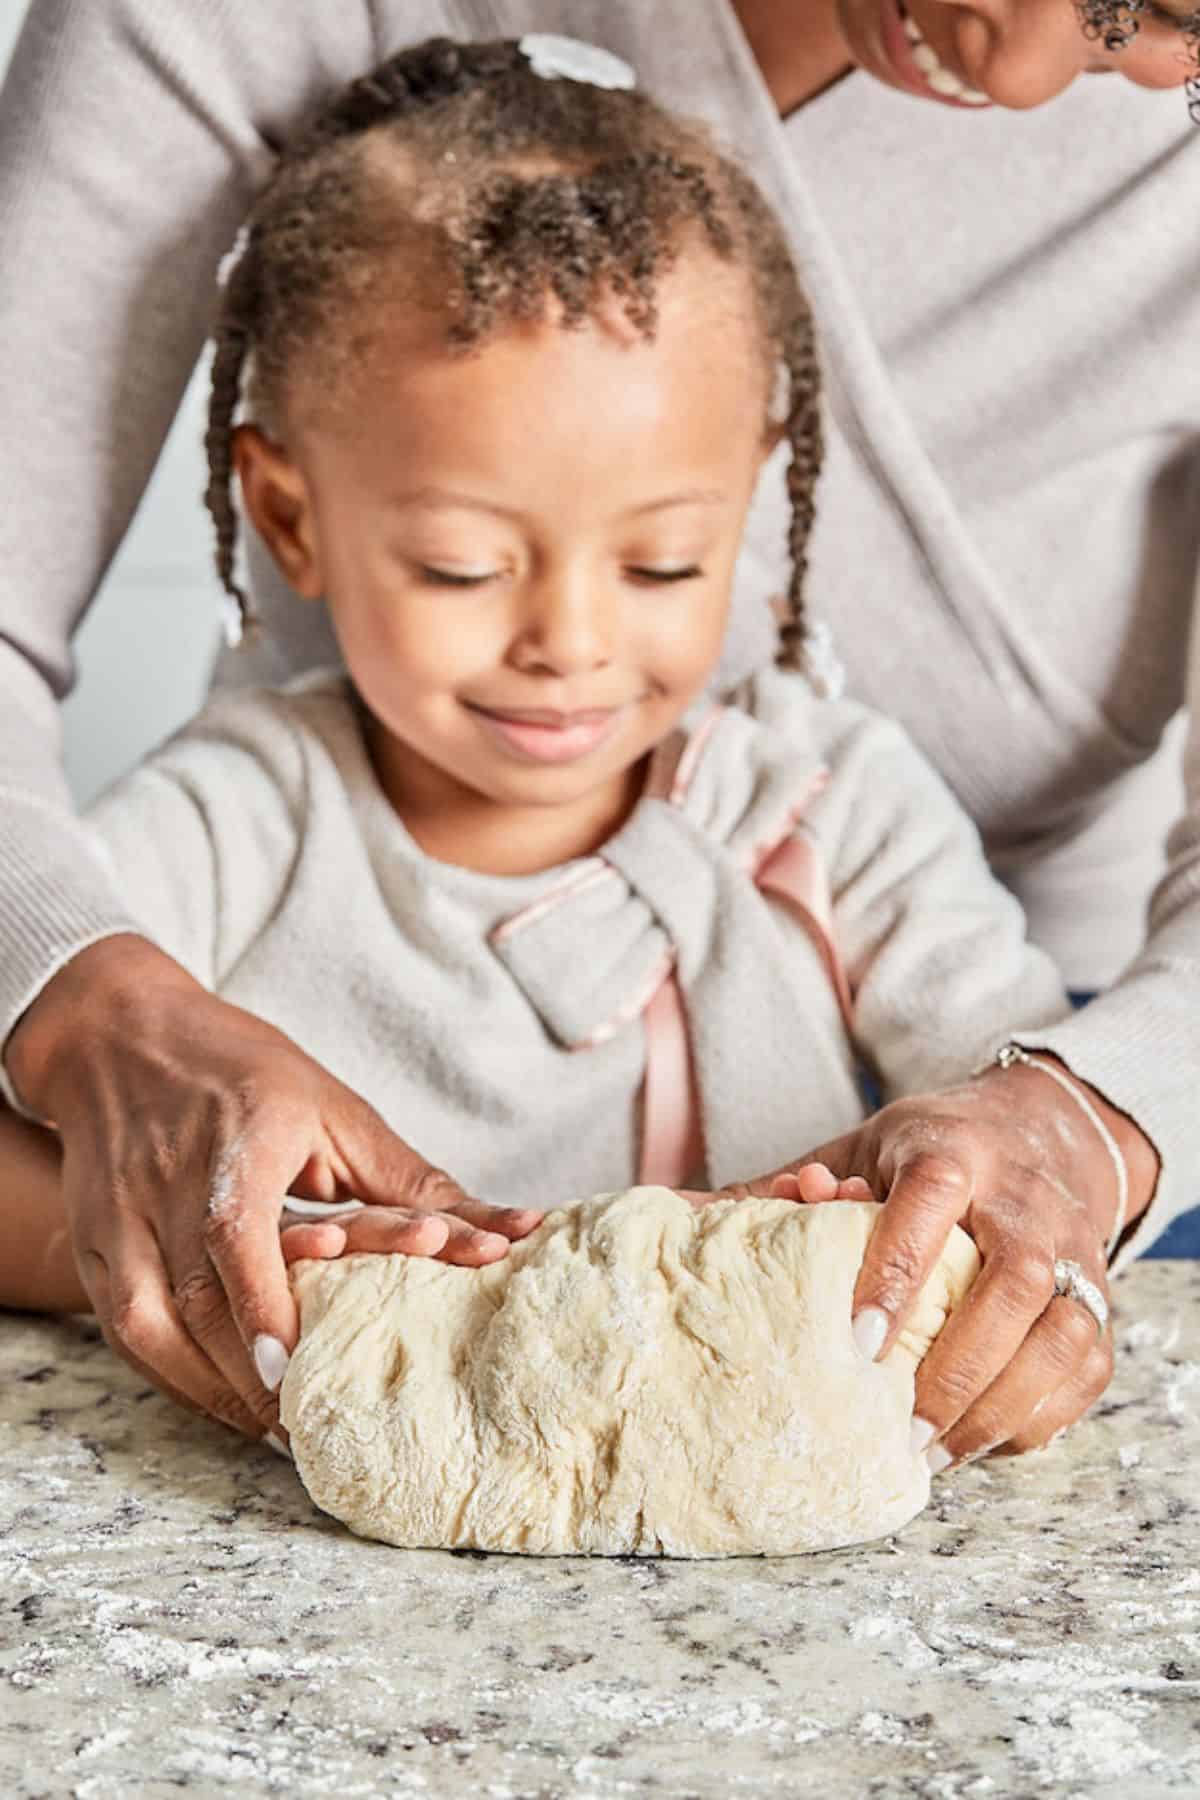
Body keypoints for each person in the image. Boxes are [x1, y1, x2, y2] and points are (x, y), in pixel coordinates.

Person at [0, 1, 1193, 1466]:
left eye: (661, 567)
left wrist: (1045, 1157)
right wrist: (210, 1241)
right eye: (457, 567)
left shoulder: (824, 809)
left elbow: (994, 1108)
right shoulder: (239, 816)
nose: (567, 643)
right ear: (287, 517)